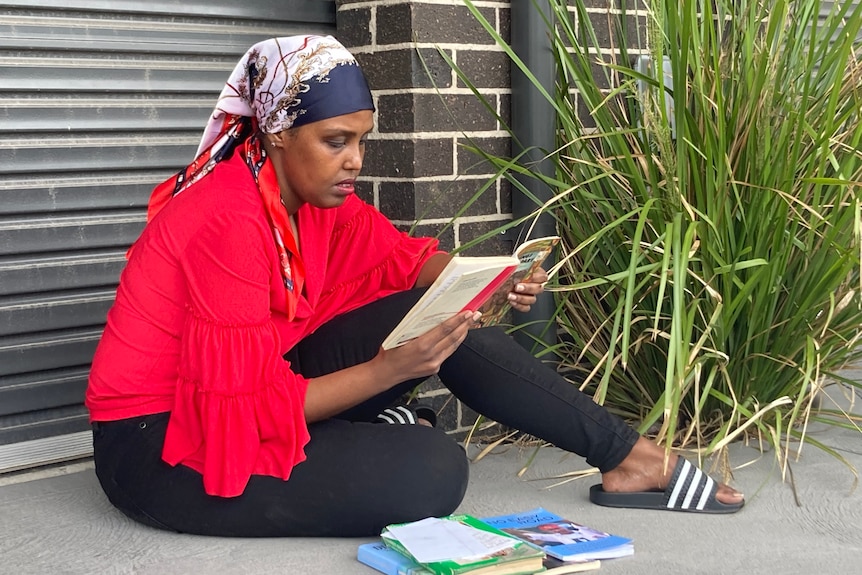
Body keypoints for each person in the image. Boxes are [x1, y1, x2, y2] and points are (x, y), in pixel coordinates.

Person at [85, 35, 744, 538]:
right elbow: (242, 411)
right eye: (336, 140)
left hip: (248, 389)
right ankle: (384, 424)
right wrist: (385, 373)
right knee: (433, 468)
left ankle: (627, 457)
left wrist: (493, 277)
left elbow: (408, 262)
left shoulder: (309, 196)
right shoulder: (226, 218)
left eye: (363, 140)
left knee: (434, 321)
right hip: (164, 443)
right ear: (279, 133)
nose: (356, 160)